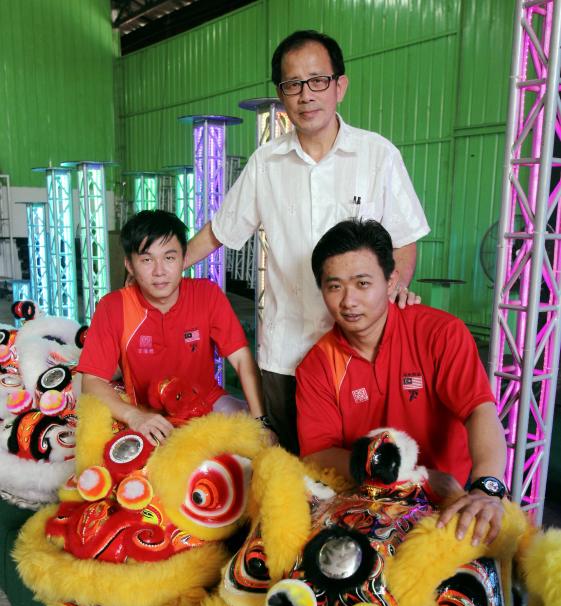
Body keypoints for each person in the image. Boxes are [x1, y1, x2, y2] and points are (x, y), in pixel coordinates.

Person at [184, 30, 430, 453]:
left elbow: (404, 240)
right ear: (281, 94)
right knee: (293, 473)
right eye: (292, 84)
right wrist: (164, 268)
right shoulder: (266, 163)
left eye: (317, 80)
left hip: (364, 350)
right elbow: (219, 231)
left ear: (340, 85)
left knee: (366, 472)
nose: (305, 95)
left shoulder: (378, 155)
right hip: (287, 354)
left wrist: (396, 287)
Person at [295, 218, 507, 546]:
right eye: (334, 286)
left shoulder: (440, 333)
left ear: (391, 280)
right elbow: (318, 453)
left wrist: (487, 487)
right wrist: (407, 476)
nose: (348, 301)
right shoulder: (317, 364)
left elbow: (479, 409)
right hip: (363, 509)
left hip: (448, 509)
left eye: (363, 283)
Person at [77, 210, 269, 444]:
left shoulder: (206, 294)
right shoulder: (114, 306)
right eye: (147, 260)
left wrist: (261, 422)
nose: (159, 271)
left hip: (208, 404)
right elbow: (92, 381)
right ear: (129, 265)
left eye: (169, 258)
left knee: (257, 442)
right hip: (149, 416)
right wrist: (133, 416)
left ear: (183, 258)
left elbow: (241, 359)